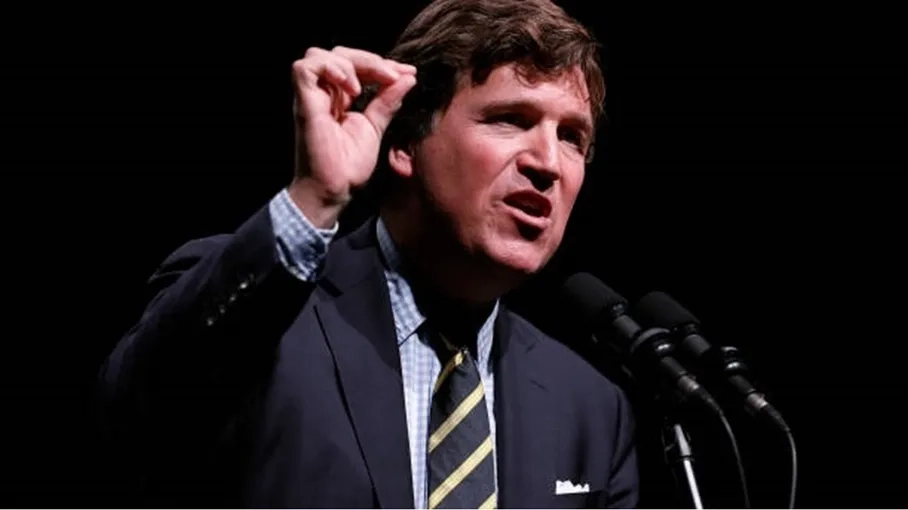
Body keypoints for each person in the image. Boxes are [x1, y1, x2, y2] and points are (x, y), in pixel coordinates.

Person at [96, 0, 639, 507]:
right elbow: (138, 406)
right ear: (404, 144)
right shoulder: (266, 312)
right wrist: (315, 198)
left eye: (572, 137)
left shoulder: (592, 409)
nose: (548, 162)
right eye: (510, 119)